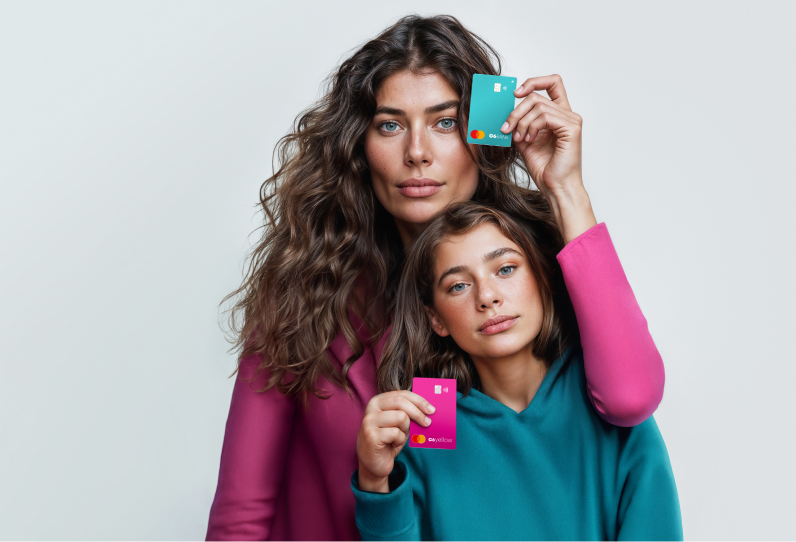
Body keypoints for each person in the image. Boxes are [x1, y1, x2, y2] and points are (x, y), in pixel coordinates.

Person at [206, 14, 666, 542]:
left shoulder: (525, 287)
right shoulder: (304, 292)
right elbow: (241, 513)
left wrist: (567, 190)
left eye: (445, 122)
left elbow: (630, 399)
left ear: (482, 134)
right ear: (359, 145)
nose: (418, 152)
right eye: (390, 124)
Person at [352, 202, 682, 541]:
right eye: (458, 286)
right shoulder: (432, 417)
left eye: (505, 269)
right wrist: (375, 483)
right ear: (435, 319)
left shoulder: (602, 392)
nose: (487, 297)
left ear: (542, 276)